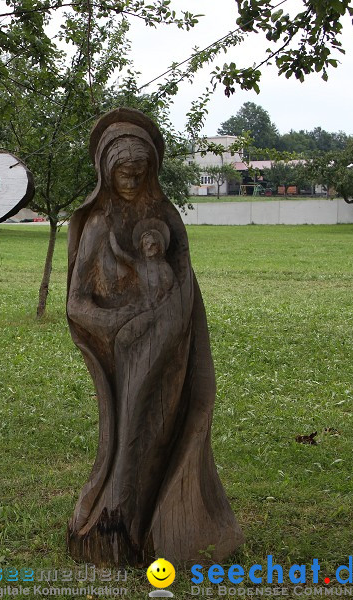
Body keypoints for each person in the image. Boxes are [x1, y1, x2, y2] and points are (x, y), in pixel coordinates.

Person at [65, 108, 243, 566]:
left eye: (140, 171)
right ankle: (117, 527)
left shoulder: (166, 217)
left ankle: (158, 525)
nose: (131, 178)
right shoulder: (99, 225)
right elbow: (77, 304)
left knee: (157, 438)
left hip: (168, 356)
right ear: (106, 169)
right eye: (123, 171)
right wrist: (123, 324)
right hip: (121, 356)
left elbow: (184, 286)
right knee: (125, 442)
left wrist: (162, 324)